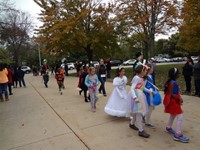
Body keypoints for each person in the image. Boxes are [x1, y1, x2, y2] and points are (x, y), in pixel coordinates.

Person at [163, 68, 189, 143]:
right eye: (178, 73)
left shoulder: (172, 82)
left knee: (173, 115)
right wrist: (179, 98)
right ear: (175, 75)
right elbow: (171, 94)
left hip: (174, 101)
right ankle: (178, 134)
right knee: (180, 116)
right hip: (173, 102)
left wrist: (178, 97)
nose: (179, 75)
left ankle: (168, 127)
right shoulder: (172, 83)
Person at [127, 65, 153, 138]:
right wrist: (135, 97)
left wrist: (150, 92)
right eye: (145, 70)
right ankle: (141, 131)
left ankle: (132, 124)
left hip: (140, 95)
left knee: (136, 112)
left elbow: (142, 88)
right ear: (141, 71)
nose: (146, 72)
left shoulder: (141, 78)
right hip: (137, 96)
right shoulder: (136, 78)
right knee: (139, 113)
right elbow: (132, 89)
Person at [143, 64, 157, 128]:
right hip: (148, 95)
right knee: (149, 108)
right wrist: (150, 91)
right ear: (149, 69)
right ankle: (147, 122)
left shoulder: (150, 76)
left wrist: (154, 87)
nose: (153, 69)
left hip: (151, 94)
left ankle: (146, 119)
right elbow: (143, 87)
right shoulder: (146, 77)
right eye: (152, 68)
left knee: (150, 108)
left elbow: (151, 84)